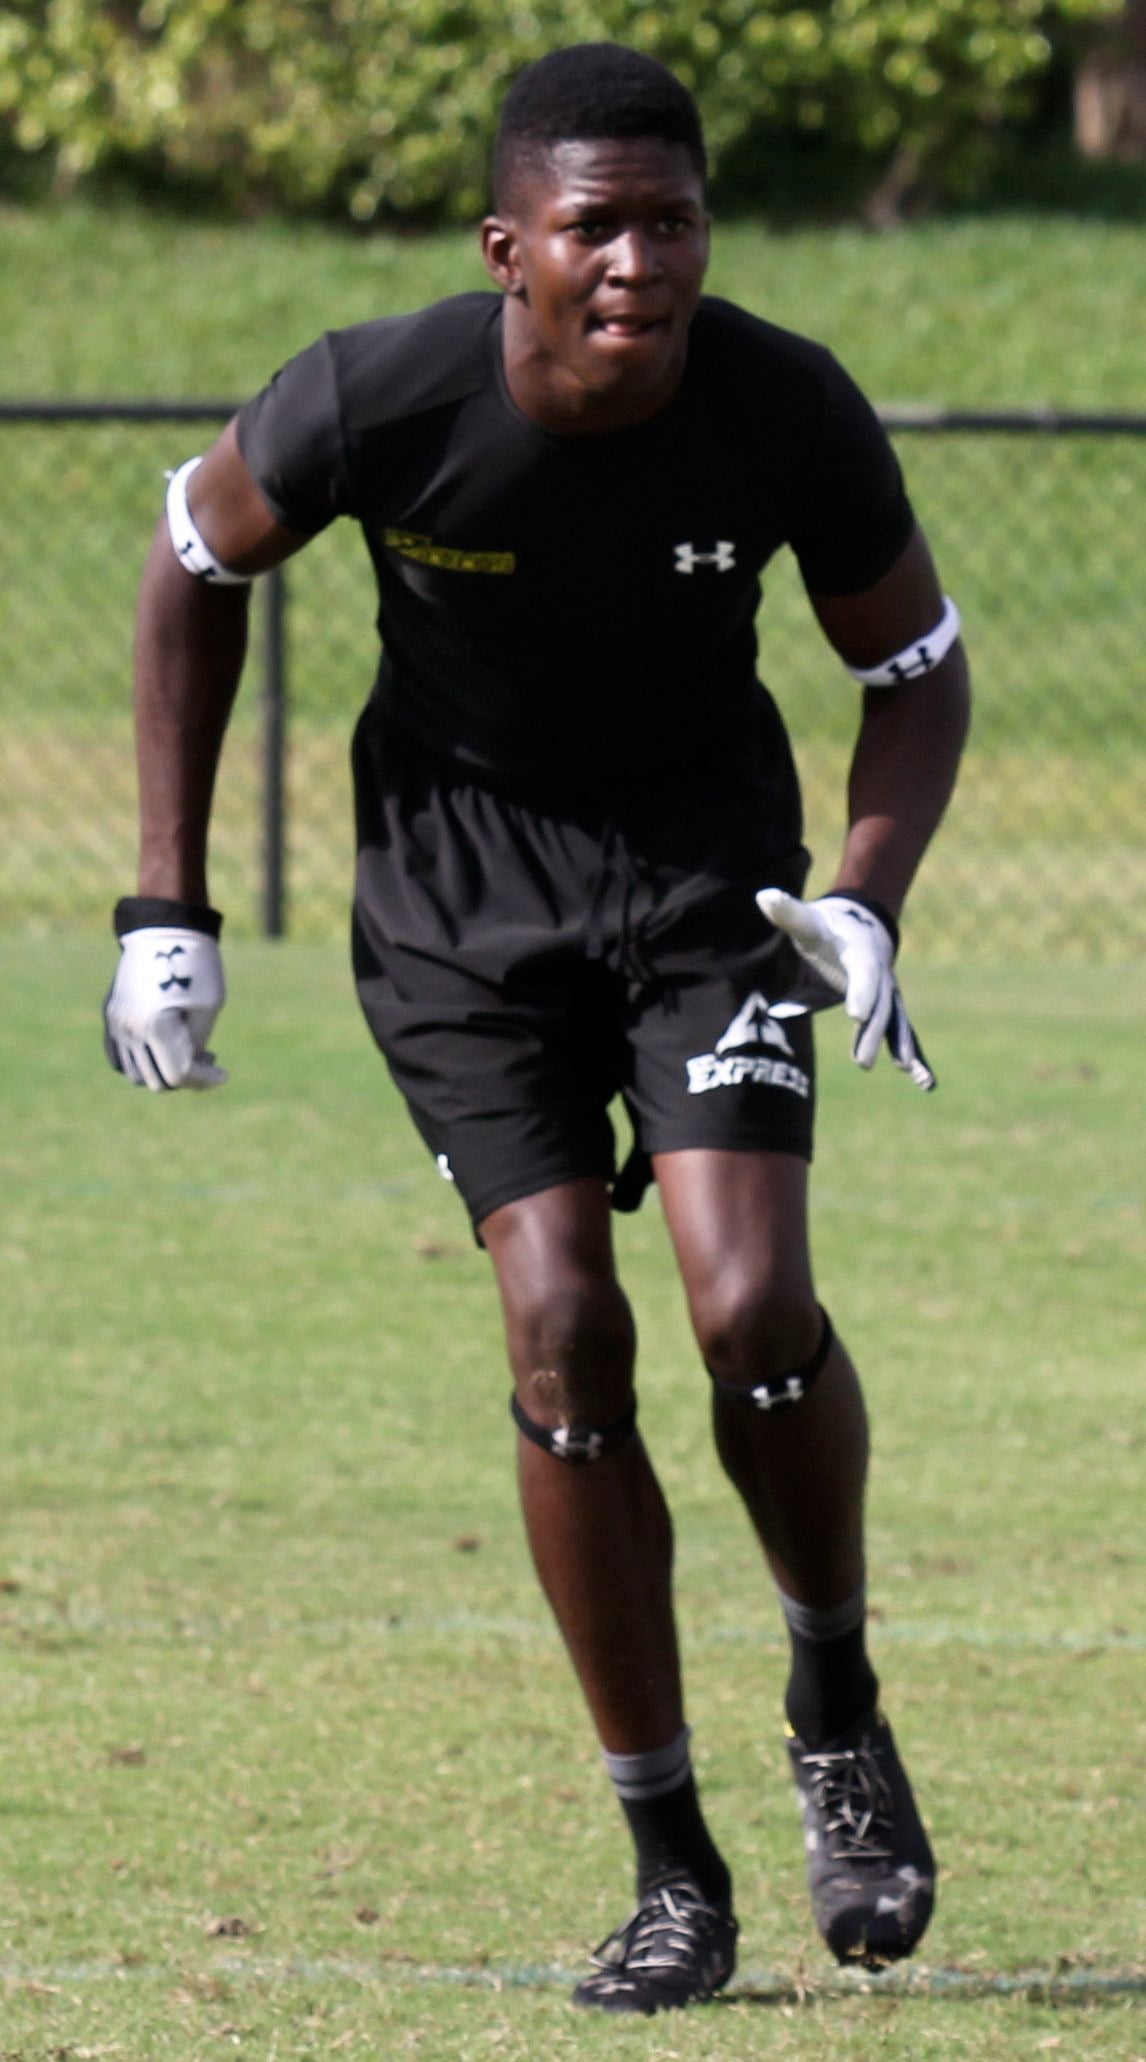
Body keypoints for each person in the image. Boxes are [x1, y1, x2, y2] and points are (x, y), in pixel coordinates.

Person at [104, 43, 970, 2015]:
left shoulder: (782, 408)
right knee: (565, 1325)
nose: (639, 263)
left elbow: (914, 667)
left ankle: (834, 1693)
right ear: (510, 246)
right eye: (595, 227)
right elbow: (189, 560)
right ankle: (675, 1866)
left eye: (673, 223)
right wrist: (166, 903)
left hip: (703, 887)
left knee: (749, 1306)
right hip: (458, 911)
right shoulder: (376, 395)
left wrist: (862, 893)